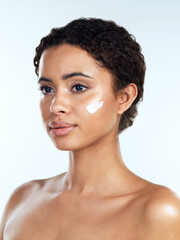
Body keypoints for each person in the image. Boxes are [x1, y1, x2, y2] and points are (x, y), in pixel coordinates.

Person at [0, 18, 180, 240]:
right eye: (47, 89)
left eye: (78, 87)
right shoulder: (22, 200)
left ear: (124, 98)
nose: (56, 105)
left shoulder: (159, 212)